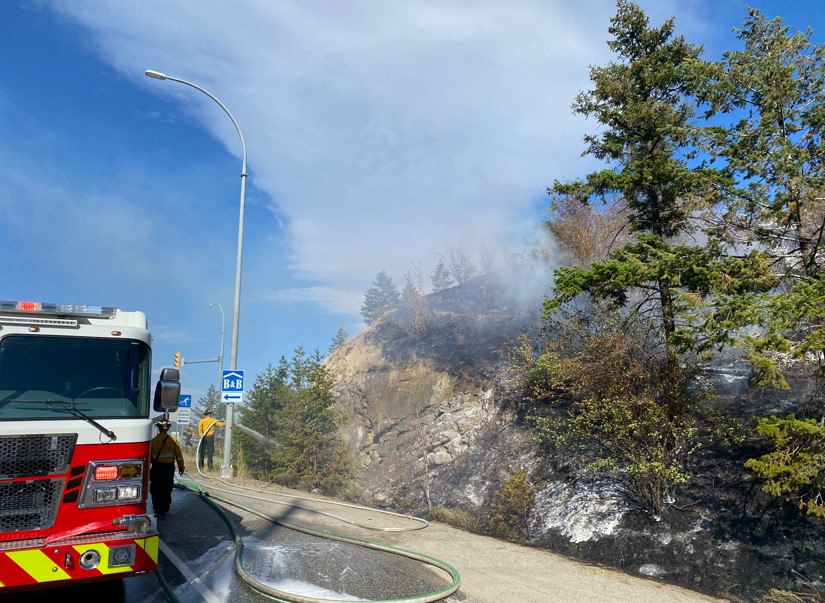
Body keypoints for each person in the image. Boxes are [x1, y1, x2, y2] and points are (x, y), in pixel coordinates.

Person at [149, 419, 185, 516]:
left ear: (158, 429)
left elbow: (148, 457)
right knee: (167, 487)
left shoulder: (153, 441)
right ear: (168, 429)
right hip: (168, 468)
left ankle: (157, 508)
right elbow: (178, 455)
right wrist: (181, 467)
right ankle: (165, 507)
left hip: (156, 468)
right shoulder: (173, 441)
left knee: (156, 488)